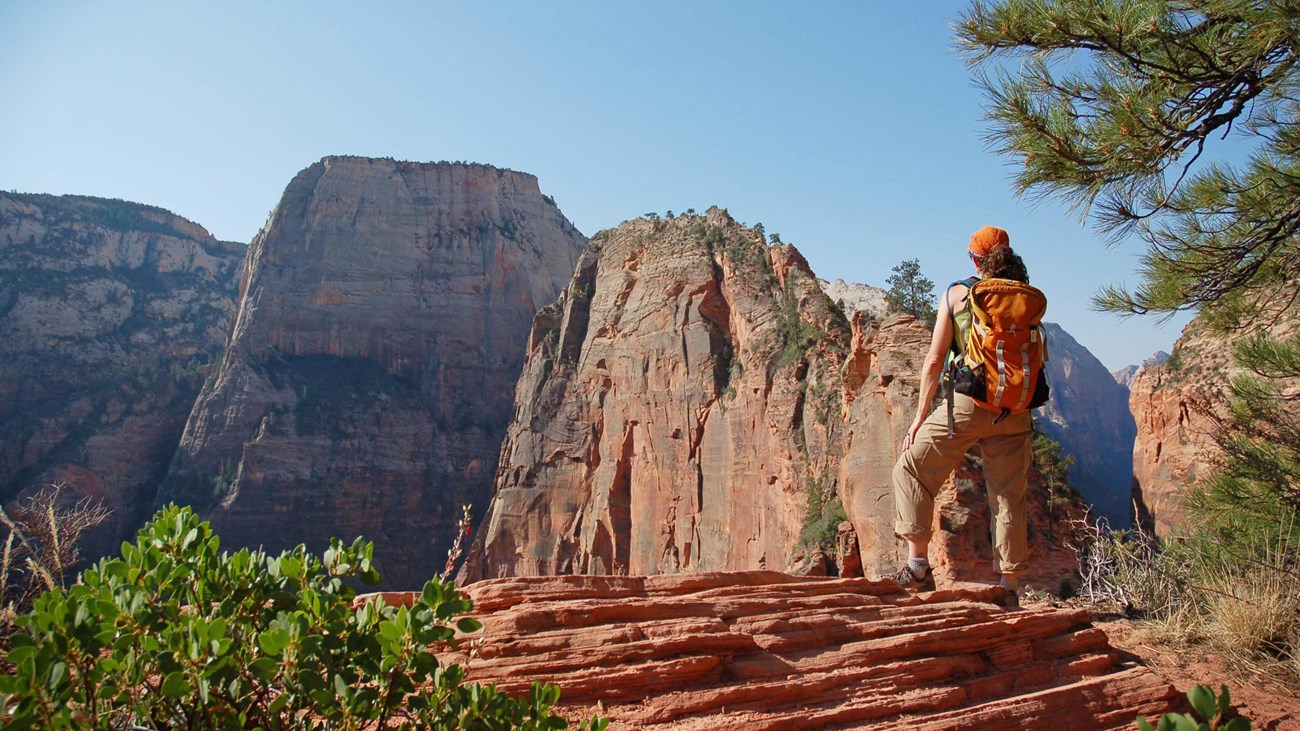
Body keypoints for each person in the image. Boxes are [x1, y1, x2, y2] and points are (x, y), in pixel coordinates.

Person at [884, 225, 1035, 599]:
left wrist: (919, 418)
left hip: (969, 404)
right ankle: (1009, 587)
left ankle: (918, 567)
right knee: (1008, 497)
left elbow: (935, 360)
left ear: (974, 259)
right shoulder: (1024, 297)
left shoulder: (958, 294)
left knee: (911, 467)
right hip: (1016, 409)